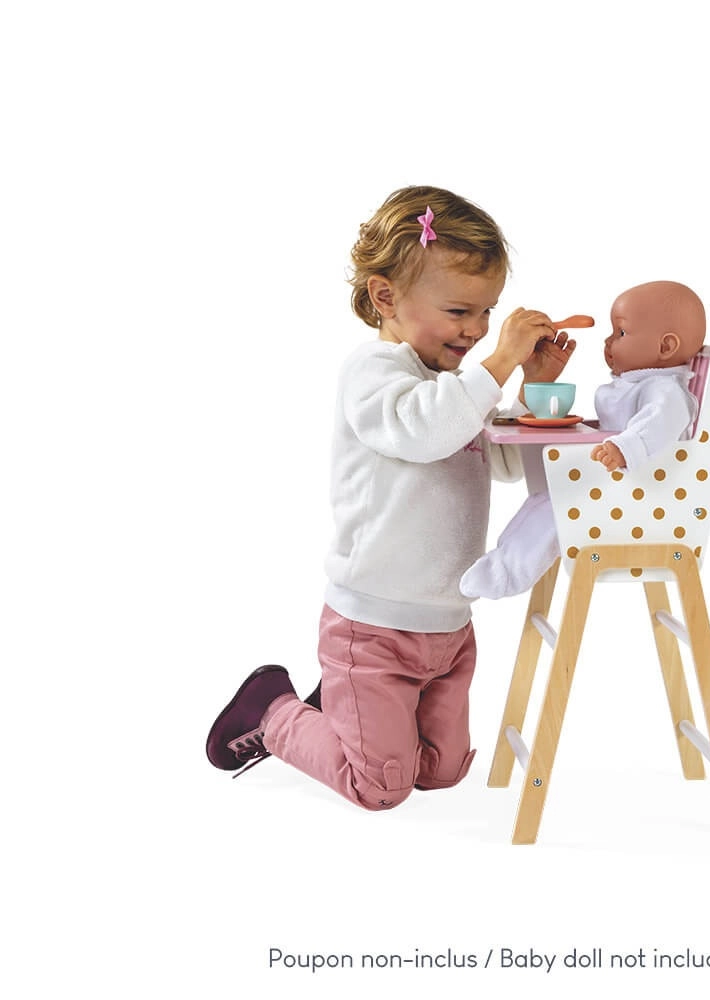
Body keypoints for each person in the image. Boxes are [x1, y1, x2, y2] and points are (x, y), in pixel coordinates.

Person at [206, 186, 576, 809]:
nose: (477, 329)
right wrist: (498, 363)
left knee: (443, 770)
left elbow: (506, 462)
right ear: (386, 297)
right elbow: (423, 431)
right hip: (373, 625)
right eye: (459, 310)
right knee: (379, 788)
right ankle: (273, 711)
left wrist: (533, 392)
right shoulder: (376, 372)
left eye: (487, 312)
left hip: (448, 624)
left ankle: (345, 714)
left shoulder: (455, 390)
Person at [459, 280, 706, 600]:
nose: (608, 341)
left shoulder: (665, 391)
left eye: (621, 333)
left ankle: (508, 572)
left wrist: (624, 448)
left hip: (640, 496)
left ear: (666, 347)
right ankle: (503, 560)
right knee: (544, 500)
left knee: (558, 507)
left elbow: (658, 423)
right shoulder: (637, 386)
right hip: (618, 487)